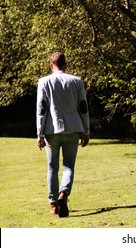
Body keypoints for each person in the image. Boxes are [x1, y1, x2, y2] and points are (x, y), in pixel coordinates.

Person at [36, 51, 90, 218]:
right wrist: (86, 130)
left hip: (52, 131)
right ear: (66, 64)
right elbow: (83, 107)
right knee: (69, 166)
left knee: (52, 167)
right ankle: (63, 194)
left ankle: (53, 205)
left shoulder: (44, 82)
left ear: (51, 65)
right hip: (73, 129)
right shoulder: (76, 81)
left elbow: (41, 108)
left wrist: (39, 133)